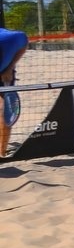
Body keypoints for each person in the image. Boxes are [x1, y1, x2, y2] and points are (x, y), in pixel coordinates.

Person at [0, 27, 29, 157]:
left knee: (5, 109)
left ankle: (2, 152)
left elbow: (24, 43)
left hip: (5, 68)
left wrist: (10, 67)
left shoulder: (14, 38)